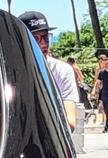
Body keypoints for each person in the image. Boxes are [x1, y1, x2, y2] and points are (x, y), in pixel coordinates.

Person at [19, 11, 82, 144]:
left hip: (55, 149)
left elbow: (70, 123)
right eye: (35, 38)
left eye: (46, 37)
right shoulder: (9, 73)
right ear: (22, 40)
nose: (43, 44)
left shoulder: (63, 70)